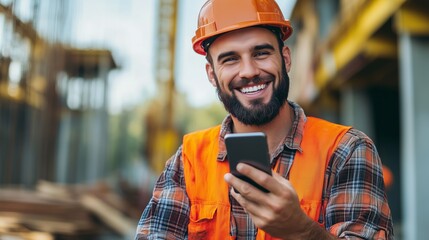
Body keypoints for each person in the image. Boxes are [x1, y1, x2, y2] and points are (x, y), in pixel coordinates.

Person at [135, 0, 394, 239]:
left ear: (286, 58)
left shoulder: (346, 151)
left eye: (261, 53)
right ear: (212, 75)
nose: (249, 71)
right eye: (230, 59)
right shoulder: (189, 161)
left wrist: (302, 230)